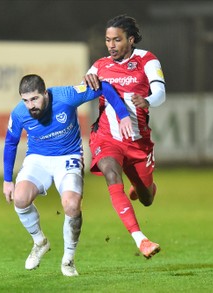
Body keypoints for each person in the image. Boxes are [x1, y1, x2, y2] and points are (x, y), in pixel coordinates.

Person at [2, 74, 133, 276]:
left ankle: (68, 259)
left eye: (35, 98)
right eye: (25, 100)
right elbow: (11, 142)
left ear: (45, 93)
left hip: (68, 157)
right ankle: (39, 242)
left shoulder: (66, 96)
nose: (30, 105)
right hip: (37, 158)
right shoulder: (19, 113)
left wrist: (123, 115)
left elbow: (104, 88)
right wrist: (7, 180)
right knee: (19, 198)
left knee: (71, 205)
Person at [83, 14, 166, 259]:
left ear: (130, 40)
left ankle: (142, 187)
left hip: (138, 142)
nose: (111, 45)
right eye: (108, 40)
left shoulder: (147, 60)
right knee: (110, 173)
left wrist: (148, 100)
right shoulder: (99, 66)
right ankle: (141, 240)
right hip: (106, 137)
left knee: (147, 198)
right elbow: (82, 90)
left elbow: (160, 92)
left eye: (116, 40)